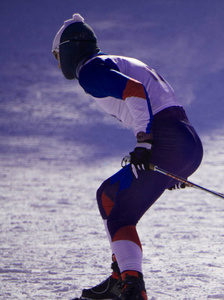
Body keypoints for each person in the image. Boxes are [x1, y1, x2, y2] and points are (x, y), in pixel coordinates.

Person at [51, 13, 203, 299]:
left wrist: (144, 143)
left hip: (166, 142)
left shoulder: (91, 69)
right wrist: (178, 162)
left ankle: (132, 289)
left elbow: (134, 91)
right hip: (187, 142)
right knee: (108, 195)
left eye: (58, 55)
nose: (59, 63)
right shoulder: (113, 61)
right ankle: (120, 278)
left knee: (119, 213)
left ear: (70, 49)